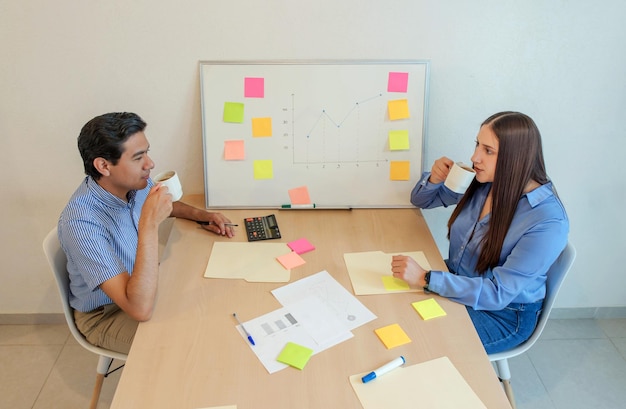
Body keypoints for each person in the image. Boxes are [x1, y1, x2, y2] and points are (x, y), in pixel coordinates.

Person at [391, 111, 569, 354]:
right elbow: (422, 200)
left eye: (488, 150)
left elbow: (497, 294)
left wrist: (426, 278)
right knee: (391, 306)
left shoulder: (547, 221)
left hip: (503, 315)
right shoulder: (485, 181)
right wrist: (434, 178)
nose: (475, 157)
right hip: (459, 279)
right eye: (477, 144)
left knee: (420, 342)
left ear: (515, 158)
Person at [58, 112, 235, 354]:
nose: (150, 164)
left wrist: (203, 215)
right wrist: (149, 226)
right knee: (196, 344)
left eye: (147, 152)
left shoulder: (132, 184)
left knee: (216, 308)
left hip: (141, 288)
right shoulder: (81, 223)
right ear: (103, 166)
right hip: (109, 314)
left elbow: (165, 204)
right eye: (138, 157)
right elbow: (138, 308)